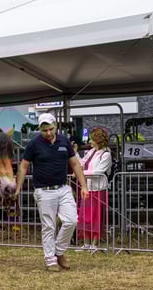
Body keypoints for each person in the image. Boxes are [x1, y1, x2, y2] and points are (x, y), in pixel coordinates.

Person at [14, 113, 89, 271]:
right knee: (48, 226)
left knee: (72, 220)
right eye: (44, 130)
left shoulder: (64, 141)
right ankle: (50, 260)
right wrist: (18, 187)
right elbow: (23, 166)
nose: (48, 133)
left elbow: (75, 164)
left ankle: (59, 251)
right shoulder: (33, 144)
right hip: (44, 191)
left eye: (50, 129)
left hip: (63, 188)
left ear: (55, 126)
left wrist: (84, 186)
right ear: (39, 129)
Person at [77, 127, 112, 251]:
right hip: (87, 188)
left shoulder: (106, 154)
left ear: (98, 140)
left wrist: (82, 173)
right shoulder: (91, 152)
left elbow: (98, 171)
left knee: (96, 217)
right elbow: (80, 163)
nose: (90, 142)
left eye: (92, 139)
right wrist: (75, 153)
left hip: (99, 189)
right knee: (85, 216)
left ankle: (95, 244)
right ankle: (86, 243)